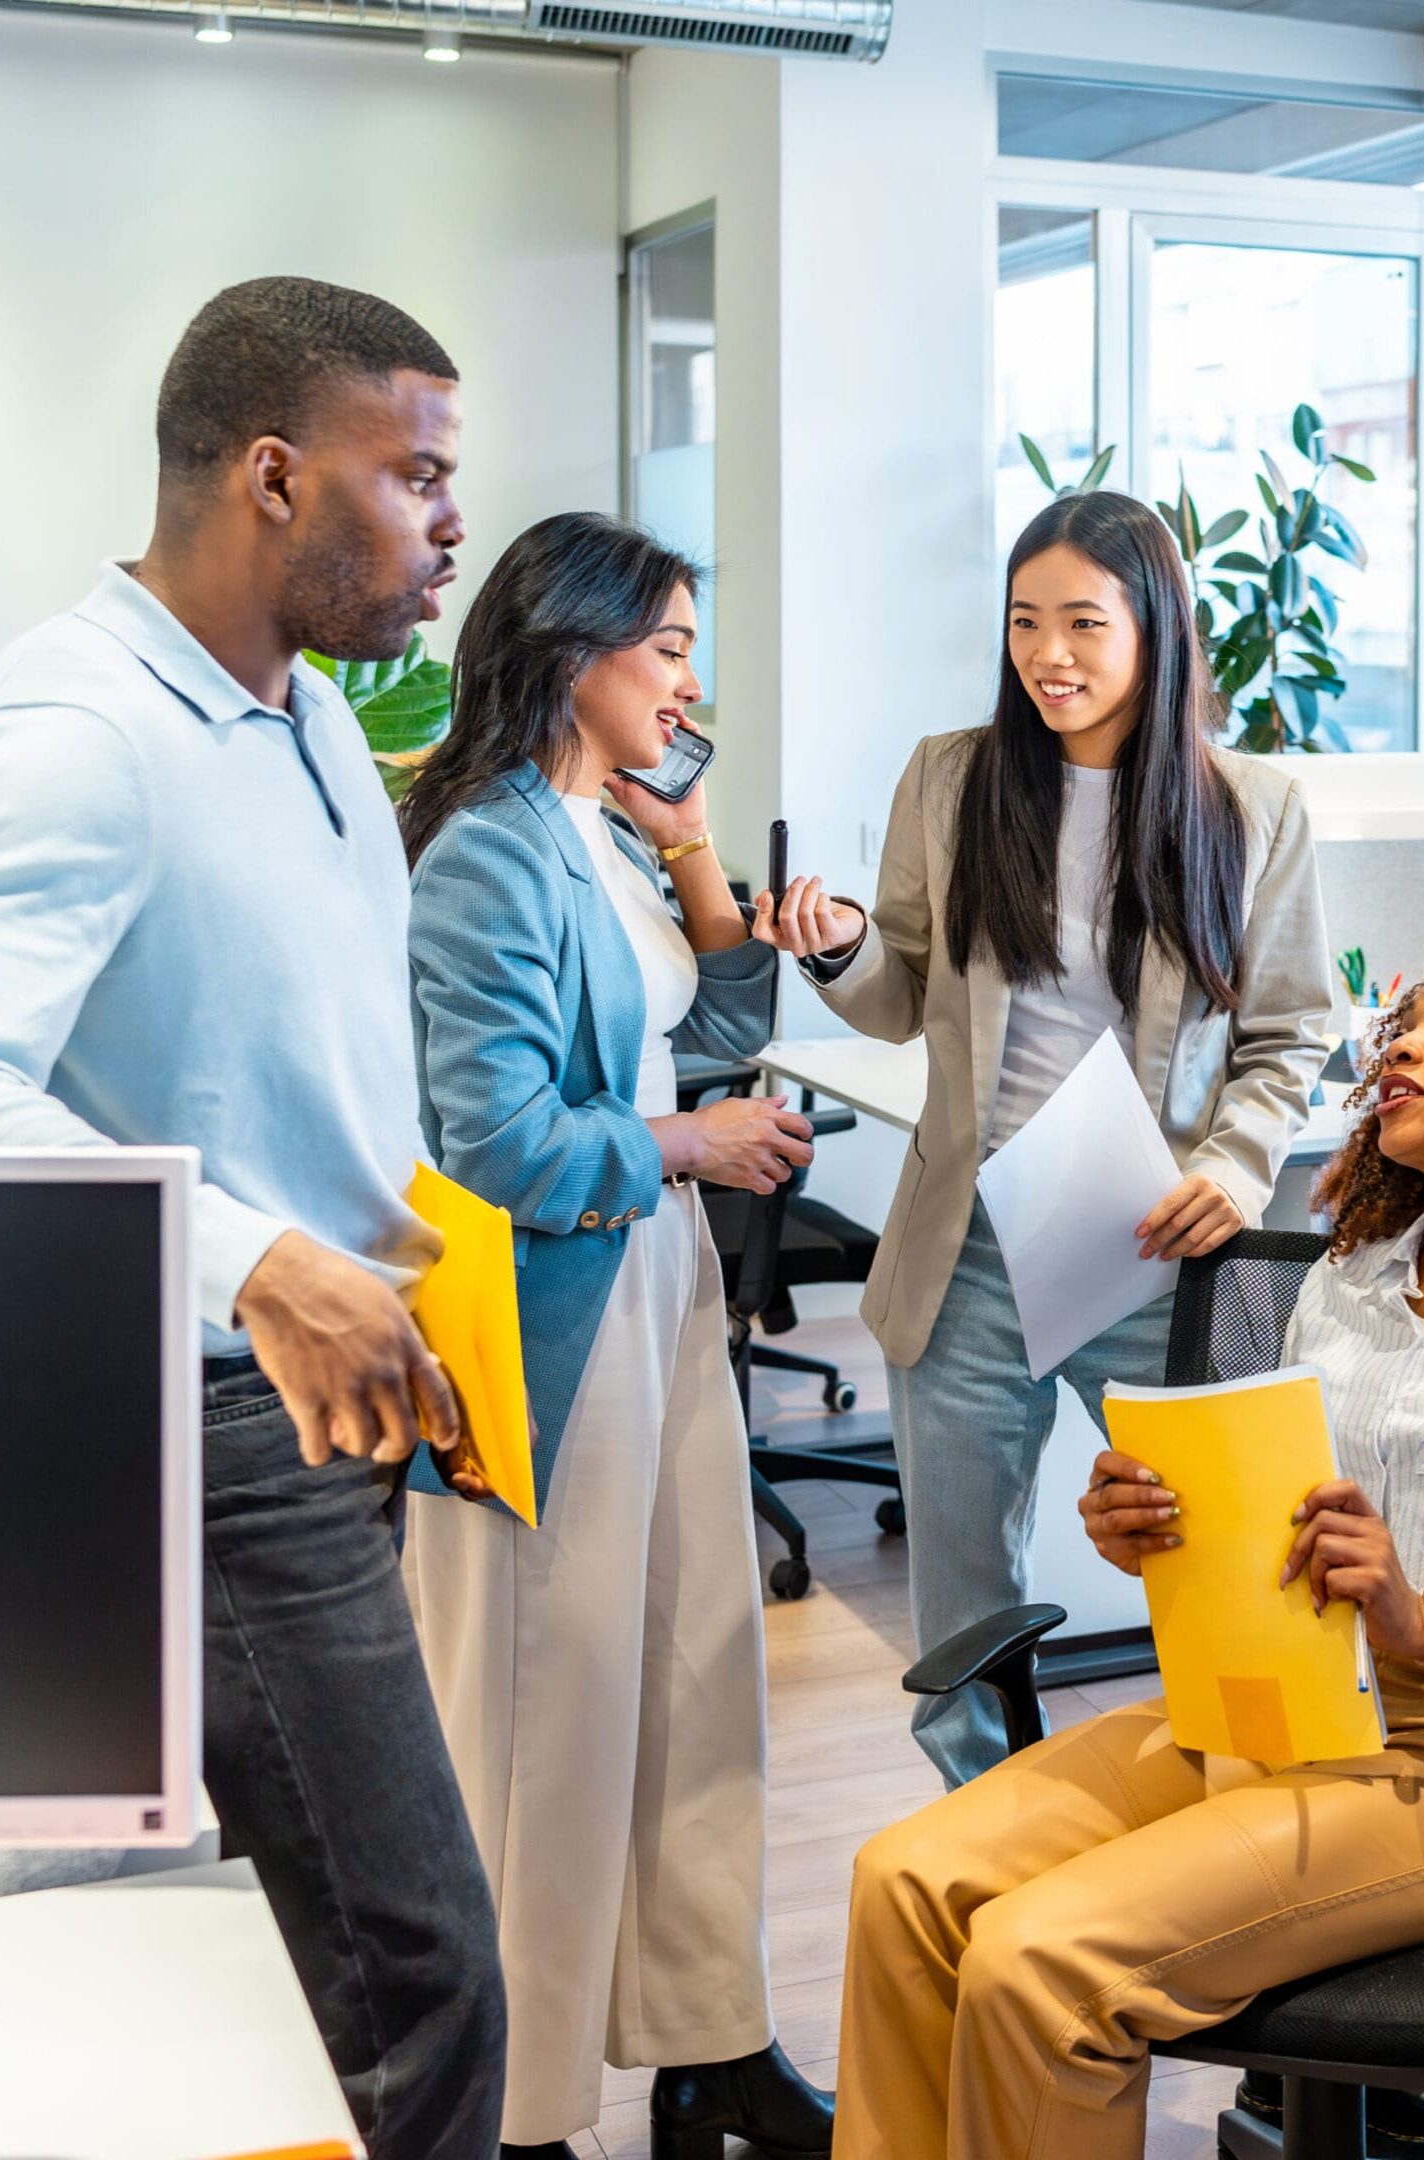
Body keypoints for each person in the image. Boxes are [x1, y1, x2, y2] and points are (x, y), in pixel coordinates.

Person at [825, 913, 1424, 2160]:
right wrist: (1155, 1531)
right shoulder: (1347, 1278)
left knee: (1038, 1960)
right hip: (1270, 1715)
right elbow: (1281, 1536)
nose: (1402, 1047)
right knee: (903, 1883)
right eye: (1402, 1026)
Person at [0, 277, 506, 2156]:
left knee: (310, 1981)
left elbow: (298, 1074)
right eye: (417, 475)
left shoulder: (310, 722)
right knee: (422, 1982)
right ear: (274, 478)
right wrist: (264, 1263)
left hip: (332, 1410)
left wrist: (397, 1286)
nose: (451, 522)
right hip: (213, 1434)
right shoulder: (78, 729)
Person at [749, 488, 1342, 1785]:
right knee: (962, 1613)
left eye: (1083, 622)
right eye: (1025, 622)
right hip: (970, 1243)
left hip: (1158, 1242)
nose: (1048, 654)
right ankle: (985, 1833)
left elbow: (1294, 1027)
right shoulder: (952, 777)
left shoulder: (1253, 806)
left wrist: (1234, 1162)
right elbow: (901, 994)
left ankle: (1248, 1817)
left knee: (1225, 1563)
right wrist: (840, 948)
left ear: (1155, 629)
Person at [396, 512, 831, 2160]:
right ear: (571, 653)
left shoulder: (608, 836)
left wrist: (699, 852)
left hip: (655, 1285)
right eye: (666, 650)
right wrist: (689, 1144)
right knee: (545, 1717)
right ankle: (511, 2113)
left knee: (694, 1668)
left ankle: (710, 2045)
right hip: (543, 1322)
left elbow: (713, 1020)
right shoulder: (488, 854)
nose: (687, 685)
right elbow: (495, 1139)